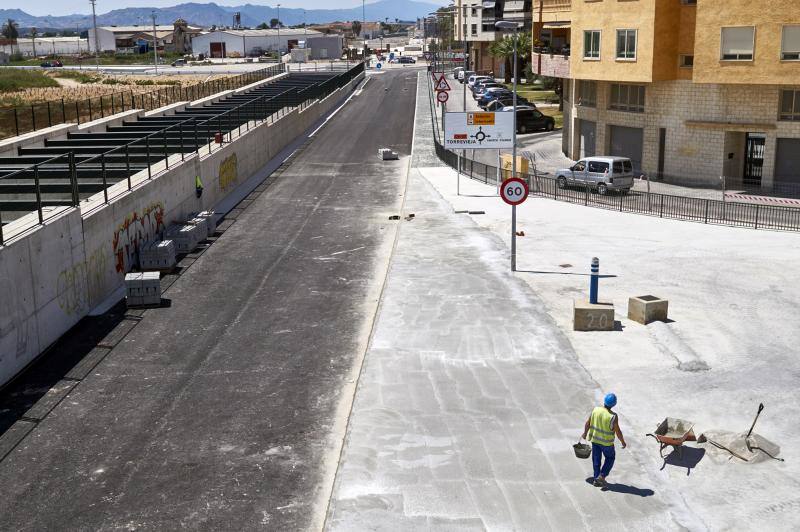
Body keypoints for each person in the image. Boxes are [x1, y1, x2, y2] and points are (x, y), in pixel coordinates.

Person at [581, 393, 627, 487]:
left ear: (604, 401)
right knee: (610, 458)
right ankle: (602, 476)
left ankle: (596, 478)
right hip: (607, 443)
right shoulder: (613, 416)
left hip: (595, 440)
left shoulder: (596, 410)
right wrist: (622, 441)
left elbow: (587, 423)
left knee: (596, 460)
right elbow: (618, 431)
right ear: (614, 404)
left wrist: (585, 433)